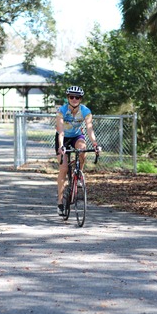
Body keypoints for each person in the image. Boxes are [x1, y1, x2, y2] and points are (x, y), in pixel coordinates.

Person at [55, 85, 101, 216]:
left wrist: (95, 144)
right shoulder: (61, 111)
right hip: (62, 137)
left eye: (77, 97)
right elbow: (61, 131)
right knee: (63, 168)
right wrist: (61, 145)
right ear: (68, 98)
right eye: (71, 97)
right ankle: (59, 202)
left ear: (81, 99)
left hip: (76, 136)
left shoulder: (86, 111)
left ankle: (78, 174)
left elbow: (89, 129)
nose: (74, 99)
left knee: (83, 150)